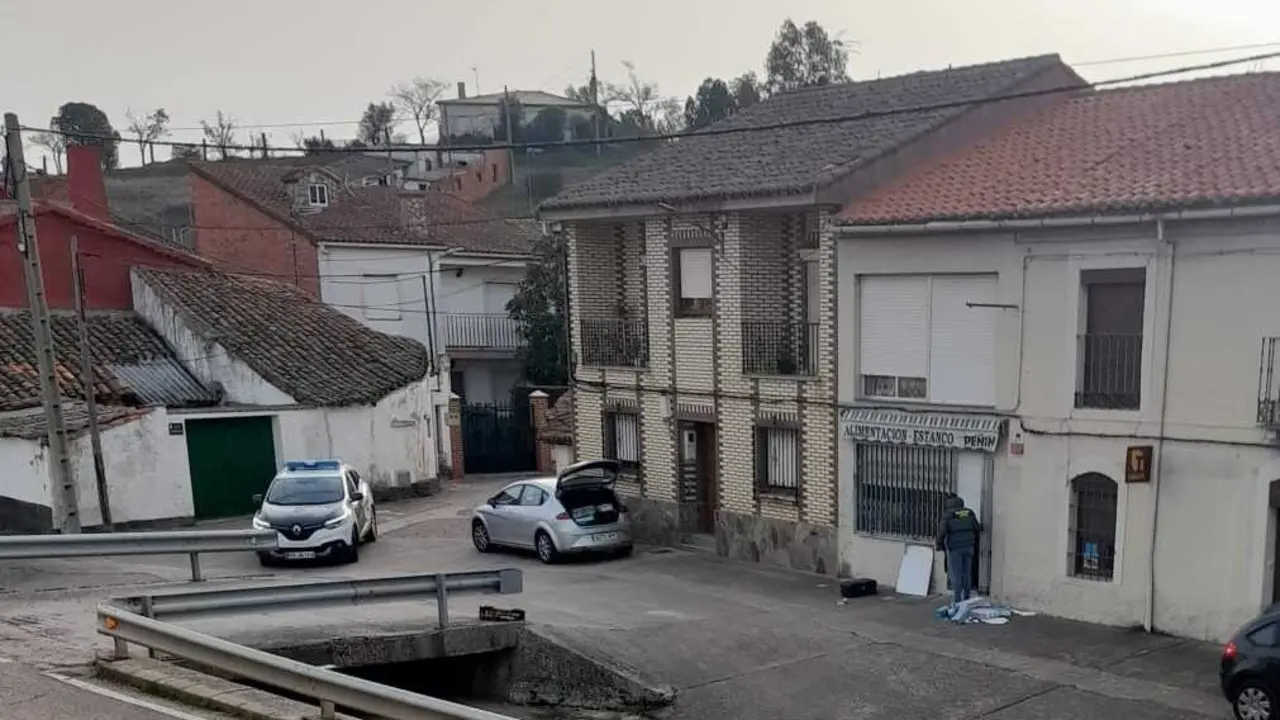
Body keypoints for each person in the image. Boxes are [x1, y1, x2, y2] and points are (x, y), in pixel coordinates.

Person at [936, 494, 982, 606]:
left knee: (957, 575)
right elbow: (977, 528)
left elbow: (941, 532)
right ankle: (966, 599)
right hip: (969, 547)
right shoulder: (969, 513)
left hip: (955, 548)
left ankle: (957, 602)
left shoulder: (948, 515)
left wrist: (939, 545)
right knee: (967, 574)